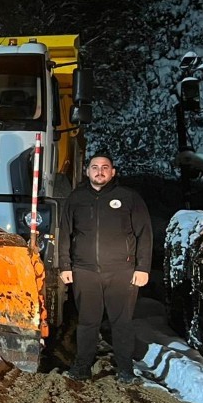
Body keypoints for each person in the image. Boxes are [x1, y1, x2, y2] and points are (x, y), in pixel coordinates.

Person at [59, 154, 152, 384]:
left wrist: (142, 268)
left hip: (122, 271)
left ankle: (126, 371)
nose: (99, 171)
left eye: (105, 168)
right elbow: (64, 234)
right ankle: (82, 368)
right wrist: (65, 265)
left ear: (113, 172)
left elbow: (145, 234)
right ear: (87, 171)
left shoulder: (129, 198)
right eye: (94, 167)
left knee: (121, 323)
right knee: (87, 322)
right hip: (85, 271)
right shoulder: (76, 198)